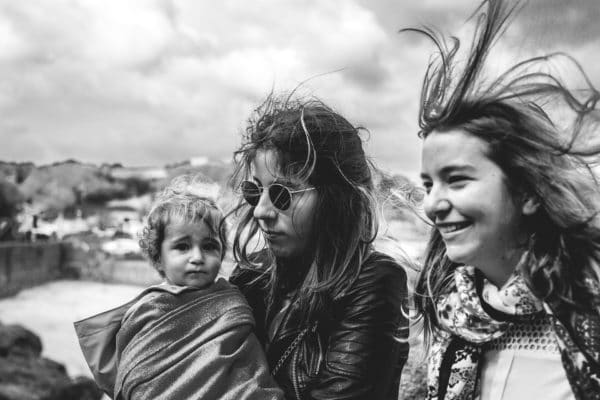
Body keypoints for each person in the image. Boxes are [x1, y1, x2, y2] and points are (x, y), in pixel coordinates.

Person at [406, 0, 600, 399]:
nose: (433, 205)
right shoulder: (455, 313)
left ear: (527, 191)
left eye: (456, 180)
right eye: (428, 185)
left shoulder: (588, 308)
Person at [229, 95, 409, 400]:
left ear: (337, 197)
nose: (261, 210)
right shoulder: (252, 273)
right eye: (254, 190)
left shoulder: (372, 283)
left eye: (283, 193)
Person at [74, 174, 283, 400]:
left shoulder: (231, 301)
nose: (197, 257)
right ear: (158, 257)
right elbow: (137, 375)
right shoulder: (147, 310)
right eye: (182, 247)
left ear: (221, 253)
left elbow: (248, 368)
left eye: (209, 246)